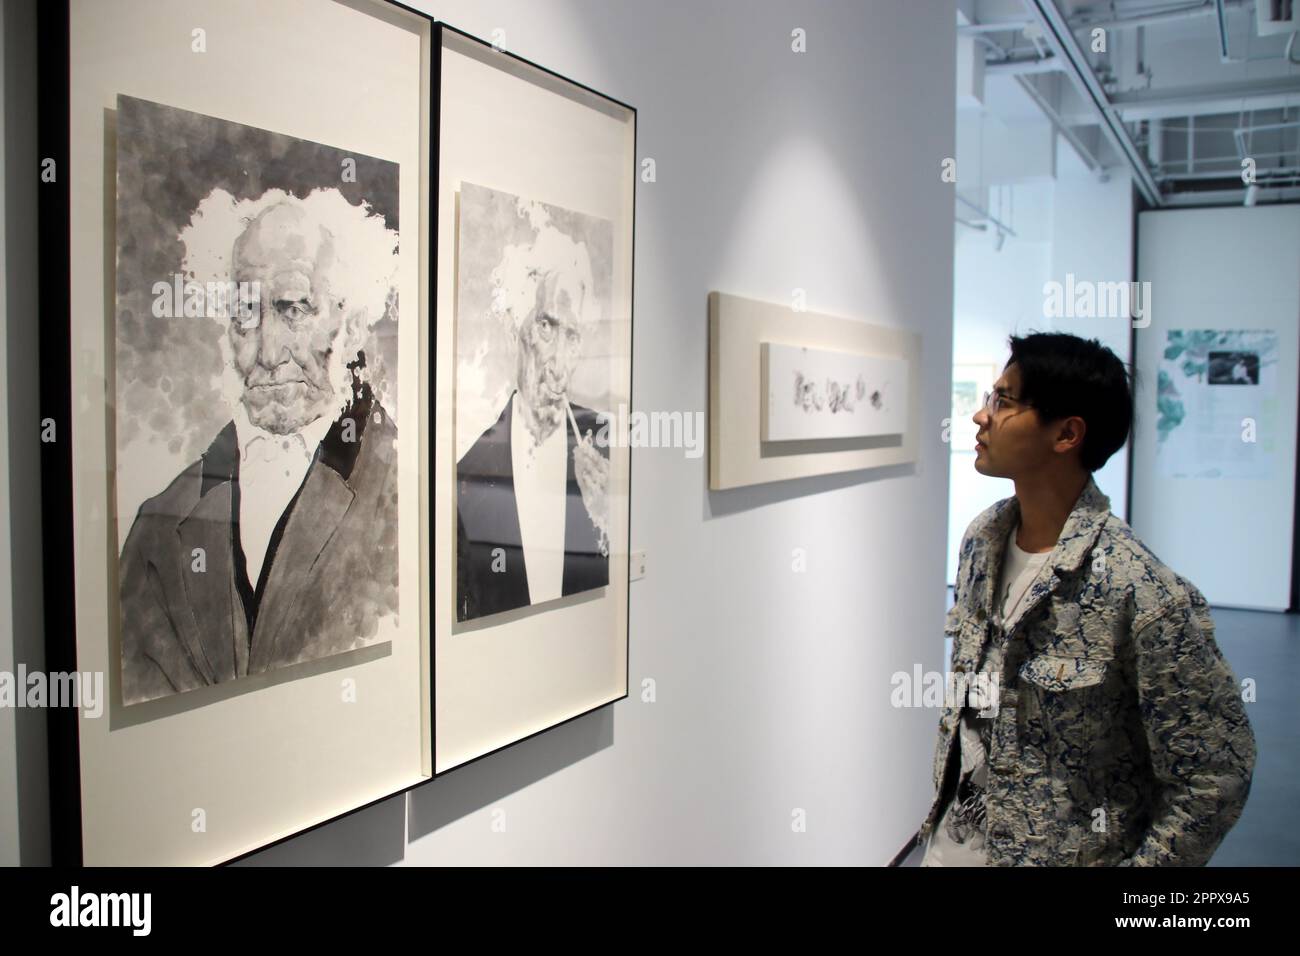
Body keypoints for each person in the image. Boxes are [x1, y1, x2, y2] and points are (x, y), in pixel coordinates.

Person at [920, 332, 1255, 866]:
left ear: (1067, 433)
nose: (981, 417)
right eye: (990, 398)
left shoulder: (1140, 591)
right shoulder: (982, 540)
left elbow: (1214, 774)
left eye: (1004, 402)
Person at [119, 188, 400, 705]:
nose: (269, 352)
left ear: (351, 323)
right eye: (247, 313)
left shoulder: (409, 495)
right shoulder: (159, 528)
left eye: (294, 309)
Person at [456, 227, 611, 623]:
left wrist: (607, 518)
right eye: (546, 326)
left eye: (572, 336)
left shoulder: (608, 446)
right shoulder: (470, 472)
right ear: (516, 329)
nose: (559, 362)